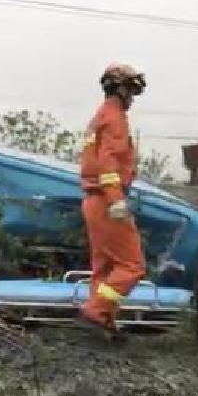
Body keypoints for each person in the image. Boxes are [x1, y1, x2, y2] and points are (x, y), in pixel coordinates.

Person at [77, 63, 147, 337]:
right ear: (120, 88)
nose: (132, 98)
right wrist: (116, 199)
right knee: (132, 265)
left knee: (104, 268)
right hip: (107, 201)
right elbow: (109, 162)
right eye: (131, 90)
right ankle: (94, 311)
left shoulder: (99, 117)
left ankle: (103, 322)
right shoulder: (115, 118)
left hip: (94, 200)